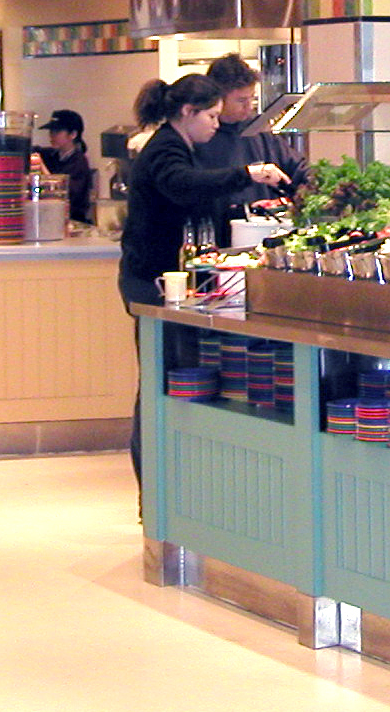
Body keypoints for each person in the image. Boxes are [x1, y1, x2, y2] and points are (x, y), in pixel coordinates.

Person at [118, 75, 289, 480]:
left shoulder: (180, 145)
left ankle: (170, 483)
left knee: (170, 377)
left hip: (164, 279)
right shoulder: (166, 149)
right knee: (163, 379)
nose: (216, 123)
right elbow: (184, 186)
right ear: (187, 112)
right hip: (152, 282)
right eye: (210, 115)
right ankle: (155, 486)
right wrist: (247, 173)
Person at [196, 54, 306, 217]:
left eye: (252, 99)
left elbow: (295, 167)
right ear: (218, 99)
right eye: (241, 101)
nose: (249, 107)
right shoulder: (200, 136)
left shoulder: (258, 128)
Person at [33, 109, 97, 224]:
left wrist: (41, 167)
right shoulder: (51, 155)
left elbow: (62, 195)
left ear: (73, 134)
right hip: (50, 219)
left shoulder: (79, 162)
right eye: (51, 131)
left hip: (73, 221)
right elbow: (41, 190)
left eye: (57, 131)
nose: (52, 136)